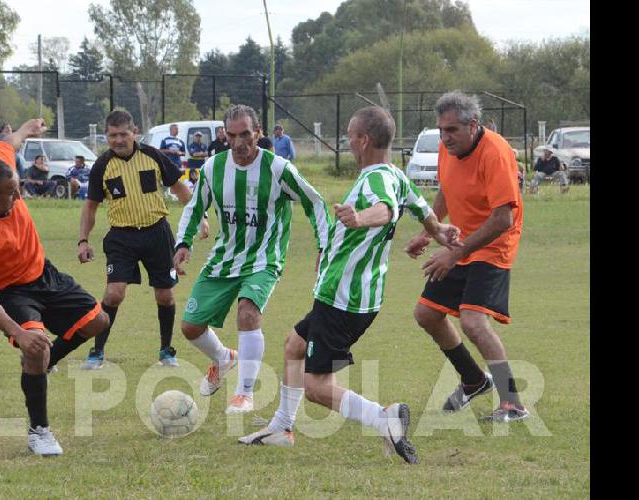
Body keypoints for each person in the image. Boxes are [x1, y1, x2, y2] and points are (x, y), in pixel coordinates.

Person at [240, 106, 461, 465]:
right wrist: (439, 233)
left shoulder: (376, 179)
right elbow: (424, 211)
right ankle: (281, 427)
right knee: (294, 344)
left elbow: (385, 210)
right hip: (354, 296)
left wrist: (359, 218)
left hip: (342, 299)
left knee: (316, 386)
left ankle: (383, 417)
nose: (347, 142)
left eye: (349, 136)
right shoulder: (396, 175)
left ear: (363, 140)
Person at [0, 117, 111, 457]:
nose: (18, 196)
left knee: (99, 322)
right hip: (12, 293)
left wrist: (28, 129)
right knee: (34, 347)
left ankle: (46, 358)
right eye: (11, 193)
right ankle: (39, 430)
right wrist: (20, 334)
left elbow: (8, 142)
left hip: (44, 274)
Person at [174, 104, 331, 414]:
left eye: (246, 134)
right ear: (225, 136)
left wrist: (324, 246)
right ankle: (224, 358)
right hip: (224, 258)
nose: (239, 142)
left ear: (258, 132)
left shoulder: (278, 169)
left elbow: (315, 204)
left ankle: (244, 393)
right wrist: (183, 242)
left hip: (264, 258)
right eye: (232, 135)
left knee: (247, 312)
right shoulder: (212, 168)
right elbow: (195, 207)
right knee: (191, 327)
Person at [408, 91, 529, 424]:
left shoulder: (496, 153)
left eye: (451, 131)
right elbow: (447, 190)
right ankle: (474, 381)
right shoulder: (450, 150)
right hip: (460, 241)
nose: (444, 139)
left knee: (474, 321)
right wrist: (427, 232)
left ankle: (513, 403)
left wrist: (455, 254)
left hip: (493, 244)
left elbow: (502, 219)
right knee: (426, 315)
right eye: (441, 130)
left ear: (472, 125)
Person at [77, 111, 208, 370]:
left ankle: (166, 351)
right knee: (114, 294)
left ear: (134, 132)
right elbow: (90, 206)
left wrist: (200, 216)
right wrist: (83, 240)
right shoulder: (102, 165)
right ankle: (97, 352)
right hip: (121, 237)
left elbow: (180, 189)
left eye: (123, 134)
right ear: (107, 136)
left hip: (157, 233)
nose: (118, 140)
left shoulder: (153, 156)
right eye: (112, 135)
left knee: (165, 296)